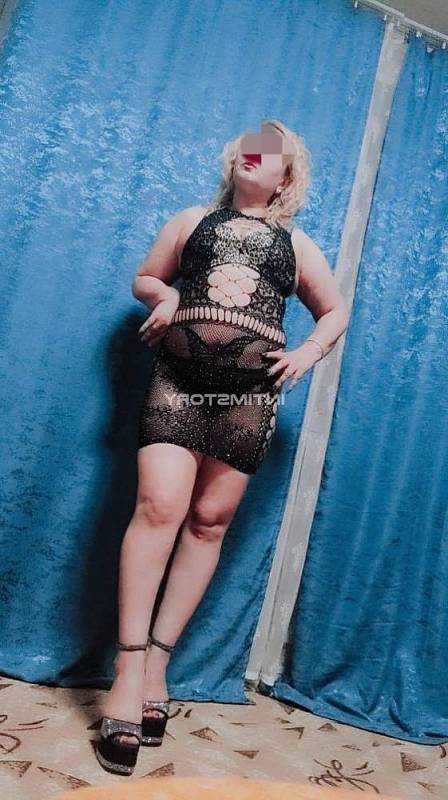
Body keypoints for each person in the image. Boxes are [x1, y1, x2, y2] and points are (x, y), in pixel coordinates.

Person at [96, 120, 350, 775]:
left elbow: (335, 310)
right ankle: (127, 671)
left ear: (286, 176)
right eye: (248, 145)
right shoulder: (191, 221)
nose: (253, 154)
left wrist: (310, 352)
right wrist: (164, 293)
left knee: (209, 522)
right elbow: (144, 278)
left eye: (270, 151)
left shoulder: (296, 243)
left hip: (247, 399)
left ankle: (158, 665)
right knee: (159, 506)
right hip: (178, 383)